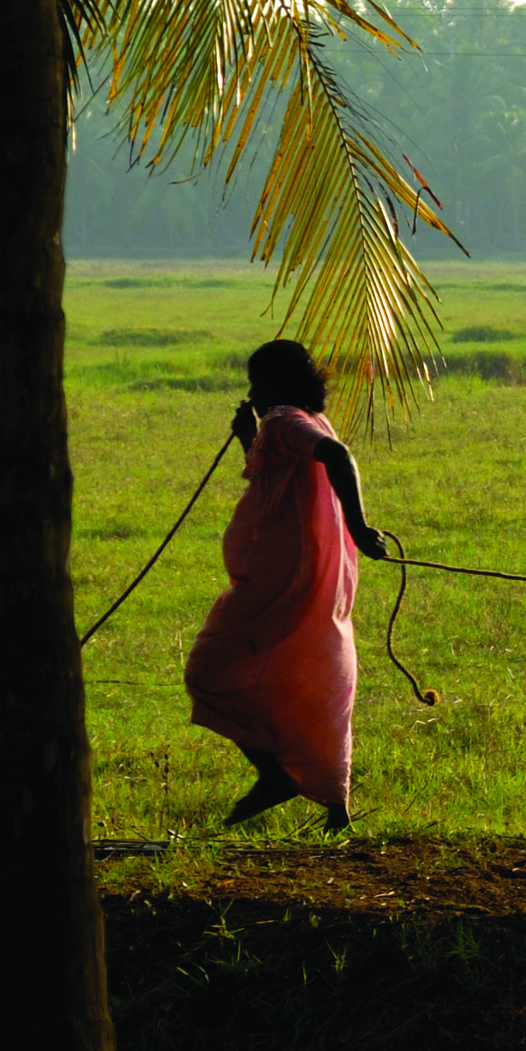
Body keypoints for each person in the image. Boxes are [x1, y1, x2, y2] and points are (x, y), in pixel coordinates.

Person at [184, 339, 395, 827]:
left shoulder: (284, 420)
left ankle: (276, 774)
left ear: (274, 384)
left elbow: (337, 457)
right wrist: (248, 436)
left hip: (283, 579)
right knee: (309, 667)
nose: (253, 392)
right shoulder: (288, 423)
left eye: (257, 382)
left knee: (208, 671)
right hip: (300, 572)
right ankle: (336, 810)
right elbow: (277, 475)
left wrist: (360, 528)